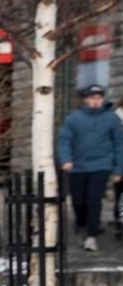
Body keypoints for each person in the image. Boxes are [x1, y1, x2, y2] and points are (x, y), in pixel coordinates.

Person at [58, 84, 121, 251]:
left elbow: (119, 145)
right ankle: (81, 224)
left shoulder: (112, 119)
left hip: (101, 165)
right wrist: (66, 159)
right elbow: (65, 141)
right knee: (78, 201)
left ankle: (91, 235)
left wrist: (118, 169)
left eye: (99, 98)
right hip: (77, 167)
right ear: (85, 100)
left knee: (94, 200)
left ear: (103, 99)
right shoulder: (73, 119)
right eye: (92, 98)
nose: (95, 101)